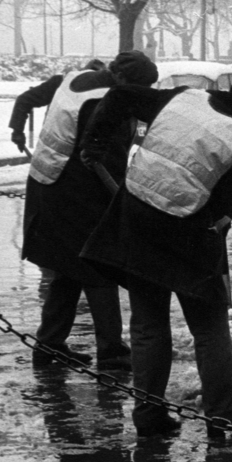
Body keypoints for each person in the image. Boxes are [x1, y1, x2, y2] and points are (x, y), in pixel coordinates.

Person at [79, 56, 232, 441]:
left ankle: (148, 413)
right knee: (209, 327)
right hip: (185, 231)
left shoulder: (184, 98)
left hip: (134, 216)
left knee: (148, 325)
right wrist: (214, 250)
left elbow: (119, 95)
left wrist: (95, 141)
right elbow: (222, 210)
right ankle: (224, 414)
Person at [20, 52, 158, 370]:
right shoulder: (106, 101)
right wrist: (123, 202)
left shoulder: (78, 79)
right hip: (74, 190)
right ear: (126, 81)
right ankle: (112, 351)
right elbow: (103, 160)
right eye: (142, 87)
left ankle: (49, 345)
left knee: (68, 268)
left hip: (48, 184)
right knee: (99, 266)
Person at [9, 58, 106, 153]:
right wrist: (17, 130)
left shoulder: (108, 93)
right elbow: (25, 100)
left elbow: (24, 100)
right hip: (57, 151)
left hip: (78, 152)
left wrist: (17, 131)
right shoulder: (60, 83)